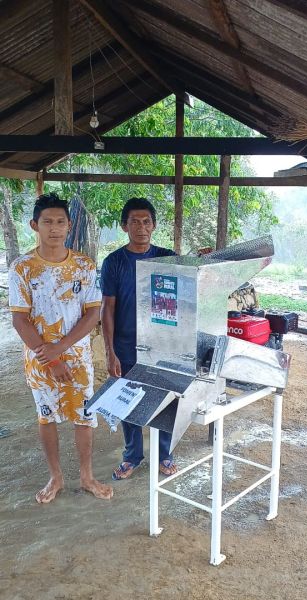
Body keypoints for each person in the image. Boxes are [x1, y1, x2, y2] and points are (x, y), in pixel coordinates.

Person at [8, 193, 113, 503]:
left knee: (84, 417)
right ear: (34, 225)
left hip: (77, 358)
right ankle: (55, 477)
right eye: (47, 222)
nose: (54, 228)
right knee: (46, 417)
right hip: (40, 360)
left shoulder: (83, 265)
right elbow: (20, 320)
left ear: (69, 225)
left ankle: (87, 476)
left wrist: (62, 349)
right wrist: (51, 359)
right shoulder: (21, 268)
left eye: (60, 222)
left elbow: (92, 313)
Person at [101, 197, 178, 481]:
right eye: (134, 221)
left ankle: (164, 453)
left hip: (162, 344)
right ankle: (132, 455)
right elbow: (107, 308)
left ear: (154, 225)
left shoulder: (167, 257)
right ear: (124, 226)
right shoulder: (114, 262)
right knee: (129, 400)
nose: (141, 227)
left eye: (146, 221)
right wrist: (110, 351)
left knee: (165, 399)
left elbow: (186, 291)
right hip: (126, 344)